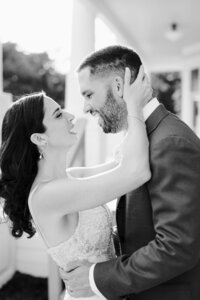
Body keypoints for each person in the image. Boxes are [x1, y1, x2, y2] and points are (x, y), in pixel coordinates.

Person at [60, 45, 200, 300]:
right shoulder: (146, 138)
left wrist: (95, 277)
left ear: (118, 86)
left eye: (89, 94)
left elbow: (177, 247)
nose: (85, 108)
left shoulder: (170, 142)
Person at [0, 66, 151, 300]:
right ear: (40, 138)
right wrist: (135, 106)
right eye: (58, 115)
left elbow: (123, 162)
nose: (71, 116)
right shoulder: (46, 195)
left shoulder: (72, 176)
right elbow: (136, 173)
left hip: (107, 287)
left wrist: (121, 101)